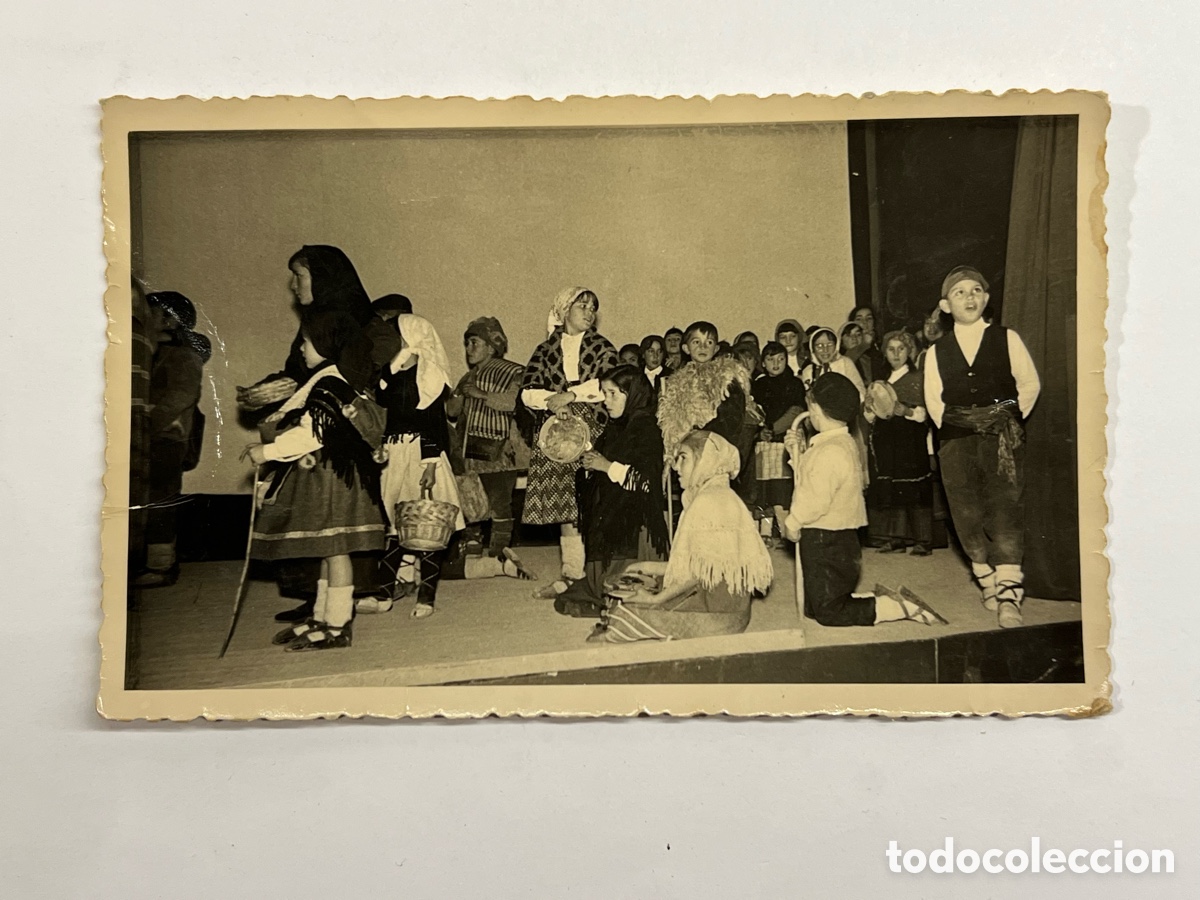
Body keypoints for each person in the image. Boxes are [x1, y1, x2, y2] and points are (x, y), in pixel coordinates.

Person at [247, 309, 388, 651]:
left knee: (336, 551)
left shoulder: (329, 384)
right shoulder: (334, 379)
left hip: (332, 481)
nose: (300, 348)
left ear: (328, 342)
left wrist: (267, 452)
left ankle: (338, 625)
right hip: (329, 478)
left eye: (306, 341)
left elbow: (312, 436)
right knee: (327, 549)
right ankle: (323, 616)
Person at [775, 374, 944, 628]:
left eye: (810, 407)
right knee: (816, 604)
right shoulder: (840, 442)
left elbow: (814, 497)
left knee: (828, 612)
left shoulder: (829, 451)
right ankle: (875, 597)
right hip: (836, 535)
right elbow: (809, 478)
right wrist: (796, 454)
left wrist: (794, 521)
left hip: (826, 536)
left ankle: (890, 607)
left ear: (817, 411)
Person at [924, 265, 1041, 628]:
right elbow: (934, 401)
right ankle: (986, 580)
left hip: (1002, 440)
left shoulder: (1007, 339)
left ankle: (1009, 594)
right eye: (960, 293)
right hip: (956, 441)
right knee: (966, 514)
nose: (969, 297)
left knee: (1005, 509)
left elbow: (1029, 384)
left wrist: (1004, 418)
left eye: (976, 290)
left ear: (986, 299)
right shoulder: (935, 352)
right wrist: (963, 424)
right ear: (946, 306)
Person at [588, 431, 772, 643]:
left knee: (627, 611)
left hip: (719, 615)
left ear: (705, 461)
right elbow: (694, 566)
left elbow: (693, 575)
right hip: (733, 610)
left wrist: (655, 599)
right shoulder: (718, 493)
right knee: (638, 587)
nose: (676, 467)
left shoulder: (708, 501)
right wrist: (647, 566)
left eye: (683, 458)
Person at [521, 287, 619, 598]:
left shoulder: (603, 347)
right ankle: (571, 574)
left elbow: (613, 383)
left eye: (593, 307)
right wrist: (552, 401)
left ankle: (597, 576)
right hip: (556, 433)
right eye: (582, 306)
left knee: (592, 502)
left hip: (595, 428)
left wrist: (573, 395)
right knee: (566, 506)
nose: (589, 312)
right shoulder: (544, 350)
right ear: (564, 311)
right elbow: (527, 391)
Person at [554, 365, 670, 616]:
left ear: (633, 394)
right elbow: (604, 469)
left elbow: (645, 483)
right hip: (614, 515)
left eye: (613, 394)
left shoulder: (646, 428)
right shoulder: (616, 426)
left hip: (635, 525)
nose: (606, 401)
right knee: (575, 598)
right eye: (604, 394)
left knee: (613, 593)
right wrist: (590, 465)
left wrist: (605, 466)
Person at [370, 313, 464, 618]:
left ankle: (426, 597)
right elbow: (380, 400)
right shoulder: (392, 373)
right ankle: (384, 593)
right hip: (394, 455)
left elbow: (433, 423)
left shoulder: (430, 376)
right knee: (396, 525)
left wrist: (430, 464)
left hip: (422, 456)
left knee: (427, 525)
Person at [443, 316, 534, 580]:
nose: (468, 349)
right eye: (467, 343)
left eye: (474, 342)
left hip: (500, 450)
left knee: (499, 503)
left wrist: (481, 395)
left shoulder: (514, 372)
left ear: (491, 347)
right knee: (471, 502)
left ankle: (498, 554)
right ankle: (472, 554)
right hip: (467, 451)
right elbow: (451, 411)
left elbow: (517, 402)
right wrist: (461, 392)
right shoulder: (466, 378)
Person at [131, 292, 211, 588]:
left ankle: (161, 565)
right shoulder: (149, 350)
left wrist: (149, 422)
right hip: (149, 433)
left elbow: (181, 396)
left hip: (165, 437)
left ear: (170, 320)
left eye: (151, 312)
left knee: (161, 498)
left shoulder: (183, 356)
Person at [865, 330, 934, 555]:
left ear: (909, 351)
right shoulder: (881, 382)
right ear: (885, 353)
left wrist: (907, 411)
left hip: (910, 440)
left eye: (901, 349)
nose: (896, 354)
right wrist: (869, 407)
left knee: (914, 489)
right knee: (893, 488)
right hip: (888, 440)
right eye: (891, 349)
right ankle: (897, 537)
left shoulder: (917, 378)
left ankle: (923, 539)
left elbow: (925, 414)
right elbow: (873, 417)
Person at [751, 340, 808, 512]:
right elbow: (753, 413)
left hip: (786, 443)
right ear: (763, 363)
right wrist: (760, 432)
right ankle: (767, 533)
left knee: (784, 491)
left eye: (780, 359)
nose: (775, 364)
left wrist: (773, 429)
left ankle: (785, 532)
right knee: (764, 491)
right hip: (764, 444)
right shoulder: (758, 386)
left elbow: (796, 411)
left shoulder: (795, 384)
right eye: (770, 360)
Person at [801, 327, 865, 397]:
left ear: (836, 346)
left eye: (830, 344)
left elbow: (860, 391)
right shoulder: (808, 371)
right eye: (819, 346)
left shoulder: (845, 363)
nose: (825, 350)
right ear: (812, 349)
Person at [849, 305, 888, 384]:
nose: (864, 322)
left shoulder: (882, 344)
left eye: (869, 318)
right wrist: (865, 344)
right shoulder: (850, 344)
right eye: (859, 319)